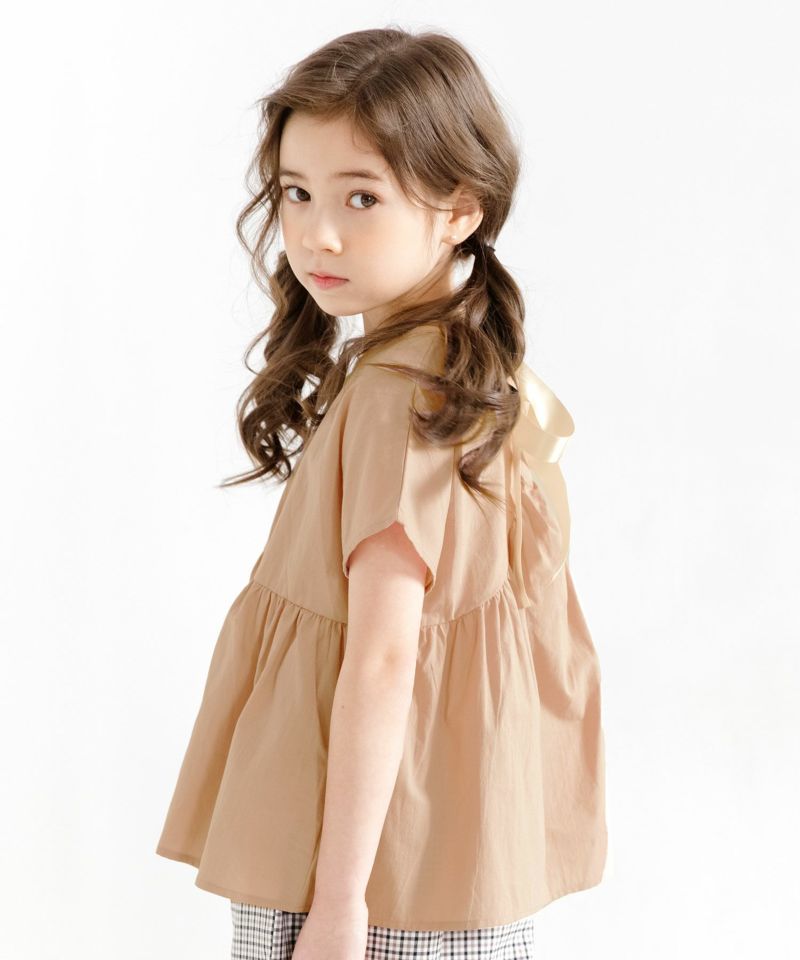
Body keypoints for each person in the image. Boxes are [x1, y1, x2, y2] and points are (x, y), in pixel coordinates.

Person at [155, 25, 607, 960]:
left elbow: (385, 656)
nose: (316, 233)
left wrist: (339, 904)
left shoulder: (397, 397)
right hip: (433, 851)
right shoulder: (450, 366)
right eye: (296, 192)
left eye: (362, 196)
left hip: (356, 867)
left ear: (460, 210)